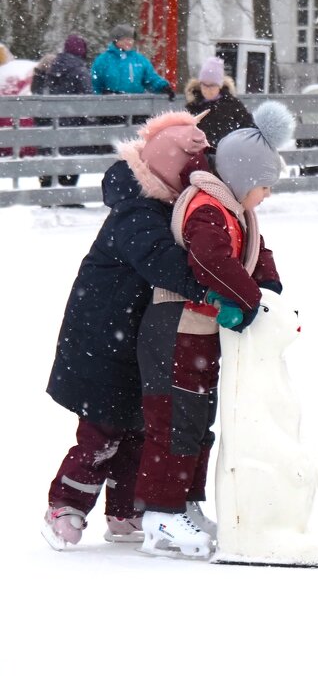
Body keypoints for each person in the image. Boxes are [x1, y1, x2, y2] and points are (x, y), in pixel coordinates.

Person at [41, 111, 210, 550]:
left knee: (137, 429)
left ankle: (125, 511)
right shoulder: (137, 210)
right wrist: (208, 286)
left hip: (131, 340)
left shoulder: (160, 205)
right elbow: (158, 260)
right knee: (101, 434)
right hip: (98, 342)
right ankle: (65, 505)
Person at [134, 102, 290, 559]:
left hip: (199, 333)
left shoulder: (233, 209)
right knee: (174, 420)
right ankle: (160, 512)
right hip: (175, 328)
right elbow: (210, 261)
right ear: (243, 179)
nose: (265, 196)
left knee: (199, 421)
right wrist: (251, 300)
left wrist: (270, 288)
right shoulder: (207, 208)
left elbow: (256, 251)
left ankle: (184, 500)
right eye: (263, 187)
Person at [31, 34, 94, 190]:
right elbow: (87, 94)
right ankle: (68, 192)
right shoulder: (79, 69)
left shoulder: (53, 64)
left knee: (49, 152)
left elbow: (41, 90)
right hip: (73, 118)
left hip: (52, 118)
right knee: (72, 154)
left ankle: (46, 190)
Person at [184, 56, 254, 147]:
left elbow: (249, 130)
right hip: (201, 157)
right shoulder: (193, 107)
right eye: (204, 85)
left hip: (227, 155)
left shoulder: (233, 105)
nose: (207, 89)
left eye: (212, 85)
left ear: (220, 85)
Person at [91, 23, 174, 98]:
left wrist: (164, 87)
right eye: (126, 39)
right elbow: (95, 84)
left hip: (136, 105)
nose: (130, 42)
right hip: (110, 106)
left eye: (131, 40)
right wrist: (102, 95)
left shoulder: (139, 60)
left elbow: (151, 78)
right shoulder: (103, 60)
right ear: (116, 40)